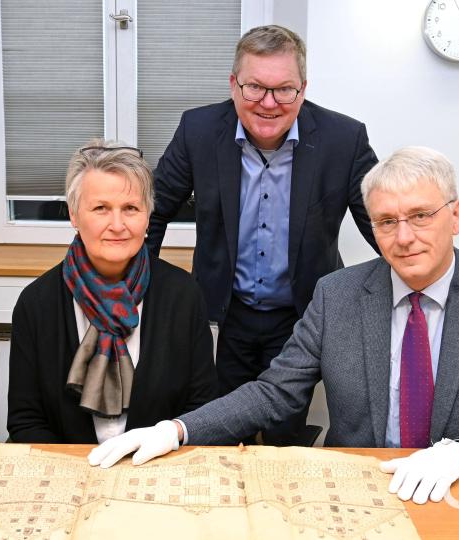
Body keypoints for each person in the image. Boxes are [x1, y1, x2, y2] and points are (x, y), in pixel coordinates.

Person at [88, 146, 459, 505]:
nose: (405, 236)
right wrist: (178, 429)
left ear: (455, 216)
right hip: (357, 499)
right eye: (387, 222)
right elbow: (272, 393)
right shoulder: (338, 295)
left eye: (421, 215)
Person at [146, 25, 379, 445]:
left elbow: (383, 224)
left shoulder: (344, 140)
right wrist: (141, 289)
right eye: (255, 87)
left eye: (283, 90)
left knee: (283, 437)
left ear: (303, 89)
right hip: (225, 314)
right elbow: (154, 211)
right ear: (233, 85)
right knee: (215, 428)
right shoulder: (198, 131)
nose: (269, 103)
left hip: (301, 317)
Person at [7, 140, 217, 444]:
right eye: (101, 208)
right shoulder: (37, 303)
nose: (117, 225)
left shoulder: (183, 297)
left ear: (148, 217)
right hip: (69, 477)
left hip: (157, 472)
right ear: (74, 216)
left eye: (131, 208)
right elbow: (26, 421)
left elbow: (200, 411)